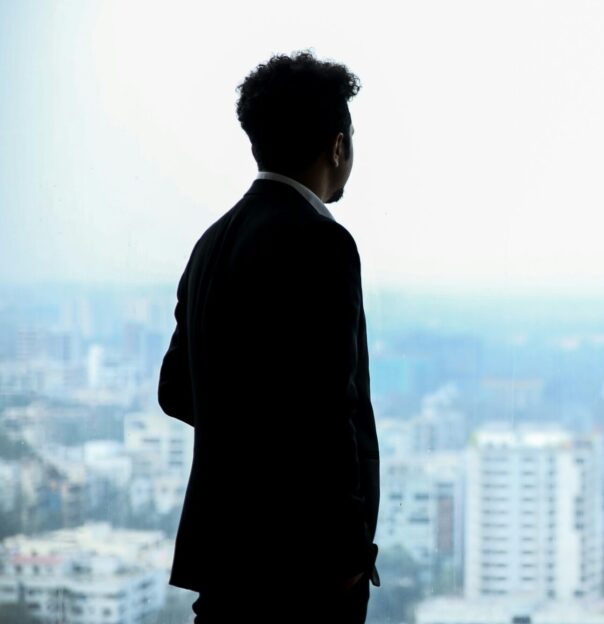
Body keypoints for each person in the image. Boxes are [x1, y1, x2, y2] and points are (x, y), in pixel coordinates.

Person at [158, 50, 380, 622]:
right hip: (307, 569)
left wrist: (245, 436)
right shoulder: (322, 243)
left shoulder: (211, 243)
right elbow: (332, 411)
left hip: (225, 559)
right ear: (337, 146)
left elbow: (175, 391)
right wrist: (350, 556)